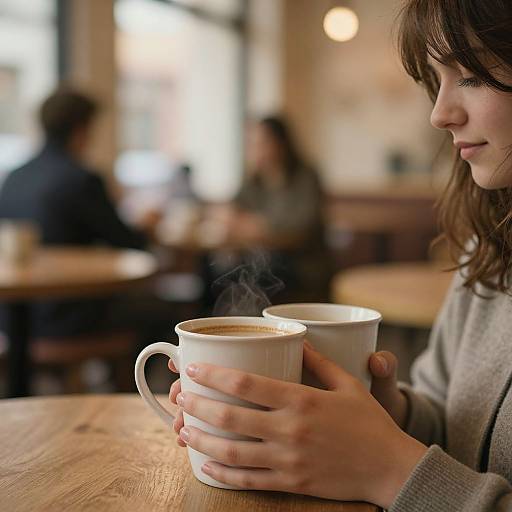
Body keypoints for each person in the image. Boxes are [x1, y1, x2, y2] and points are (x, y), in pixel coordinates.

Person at [167, 1, 512, 509]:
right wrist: (384, 412)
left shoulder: (303, 178)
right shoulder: (490, 249)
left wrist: (388, 470)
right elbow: (453, 424)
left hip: (303, 270)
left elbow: (296, 230)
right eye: (436, 80)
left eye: (471, 74)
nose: (440, 114)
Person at [0, 88, 155, 340]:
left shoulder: (14, 177)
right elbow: (128, 243)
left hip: (11, 316)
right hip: (66, 314)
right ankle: (131, 379)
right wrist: (147, 227)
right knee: (159, 310)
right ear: (81, 129)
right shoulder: (82, 180)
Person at [203, 116, 329, 311]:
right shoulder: (254, 180)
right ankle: (214, 330)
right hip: (261, 255)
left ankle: (254, 332)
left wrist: (259, 226)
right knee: (212, 266)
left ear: (281, 143)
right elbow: (230, 210)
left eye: (262, 142)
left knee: (255, 272)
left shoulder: (305, 176)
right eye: (252, 143)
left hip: (299, 262)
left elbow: (302, 226)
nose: (256, 149)